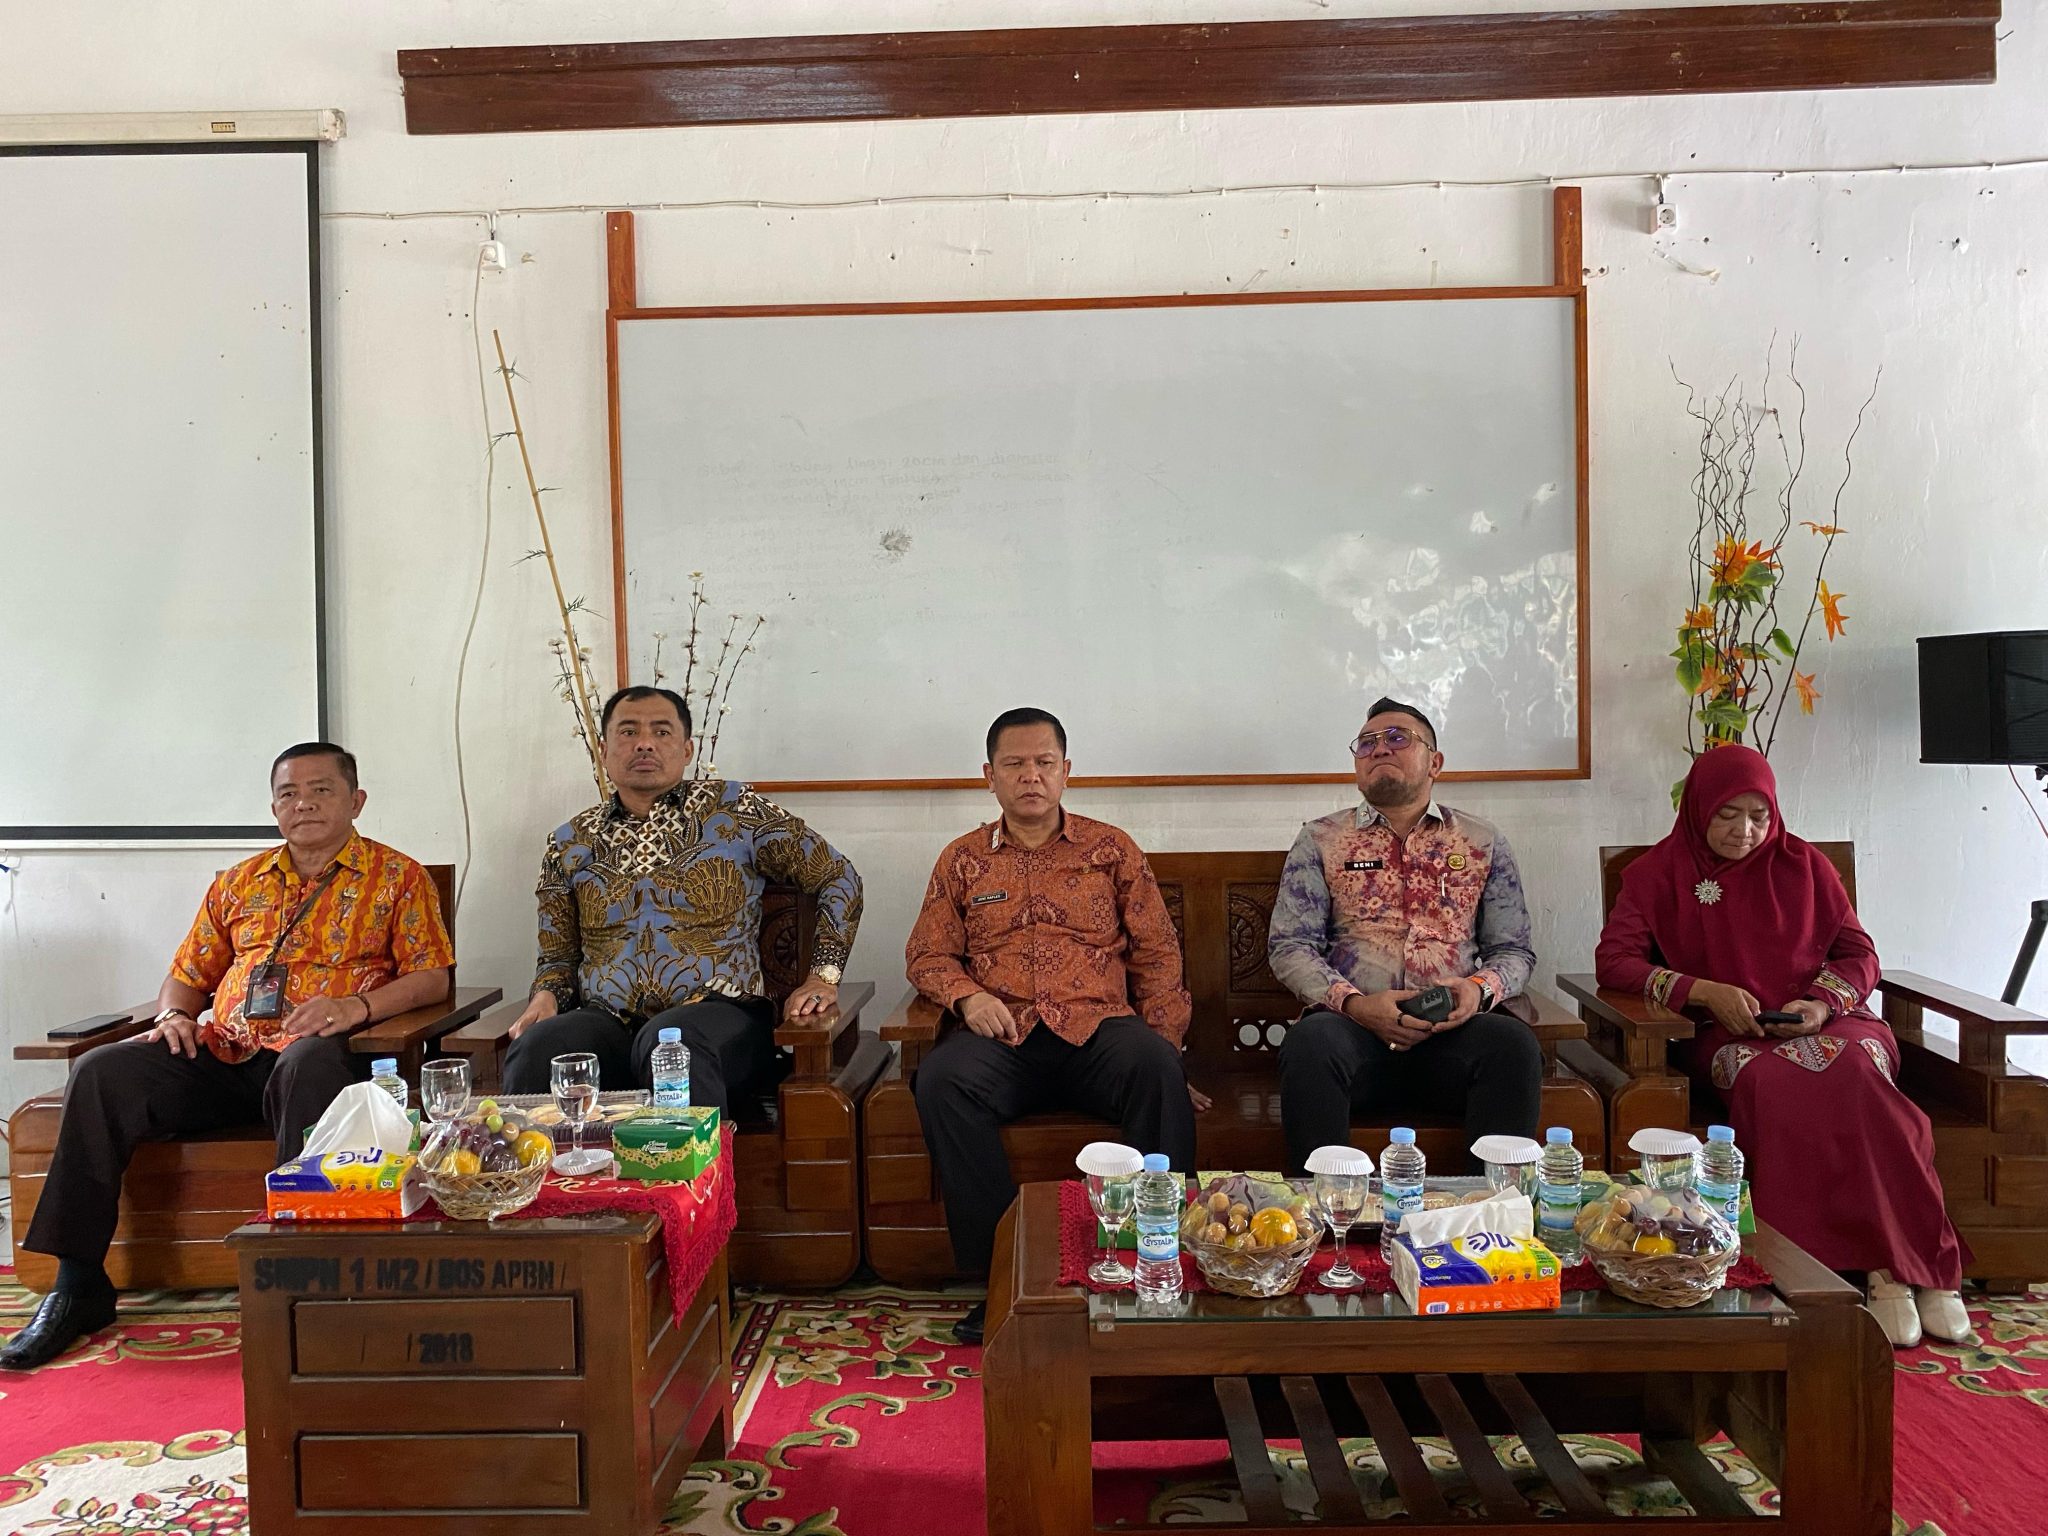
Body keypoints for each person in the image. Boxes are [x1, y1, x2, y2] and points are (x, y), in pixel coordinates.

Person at [2, 744, 454, 1371]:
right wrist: (173, 1017)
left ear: (356, 801)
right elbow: (187, 977)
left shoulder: (398, 877)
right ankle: (78, 1283)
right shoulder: (239, 882)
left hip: (326, 1059)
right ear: (273, 807)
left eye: (321, 790)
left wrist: (355, 1007)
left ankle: (301, 1276)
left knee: (307, 1063)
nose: (303, 804)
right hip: (227, 1053)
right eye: (289, 793)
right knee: (103, 1071)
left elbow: (432, 977)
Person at [1595, 743, 1975, 1348]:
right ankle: (1836, 1271)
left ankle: (1903, 1271)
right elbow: (1614, 961)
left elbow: (1860, 956)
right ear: (1698, 809)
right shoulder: (1655, 875)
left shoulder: (1806, 866)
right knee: (1775, 1083)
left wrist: (1820, 1005)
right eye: (1727, 815)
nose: (1744, 831)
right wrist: (1702, 991)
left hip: (1831, 1022)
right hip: (1730, 1035)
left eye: (1759, 816)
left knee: (1856, 1074)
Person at [906, 707, 1196, 1344]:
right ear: (989, 776)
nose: (1030, 776)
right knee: (942, 1080)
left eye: (1043, 763)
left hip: (1099, 1032)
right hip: (1004, 1036)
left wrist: (1169, 1046)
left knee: (1154, 1067)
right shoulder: (962, 860)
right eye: (1014, 764)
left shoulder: (1111, 849)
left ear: (1066, 771)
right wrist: (966, 997)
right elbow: (927, 955)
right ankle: (999, 1280)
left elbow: (1157, 954)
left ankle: (1157, 1263)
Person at [502, 686, 862, 1114]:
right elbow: (557, 959)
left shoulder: (736, 811)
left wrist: (823, 976)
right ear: (603, 749)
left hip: (720, 1017)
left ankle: (693, 1162)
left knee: (671, 1044)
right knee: (539, 1048)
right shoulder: (569, 842)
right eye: (628, 731)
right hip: (607, 1021)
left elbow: (838, 876)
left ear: (687, 749)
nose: (644, 743)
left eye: (661, 731)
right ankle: (542, 1161)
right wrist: (546, 996)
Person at [1271, 697, 1543, 1174]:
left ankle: (1492, 1207)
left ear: (1435, 763)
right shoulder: (1321, 839)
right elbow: (1290, 947)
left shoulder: (1481, 842)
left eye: (1397, 738)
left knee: (1512, 1046)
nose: (1380, 749)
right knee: (1310, 1043)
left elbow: (1513, 950)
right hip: (1354, 1035)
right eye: (1366, 743)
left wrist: (1478, 991)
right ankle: (1322, 1207)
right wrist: (1356, 1005)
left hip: (1452, 1038)